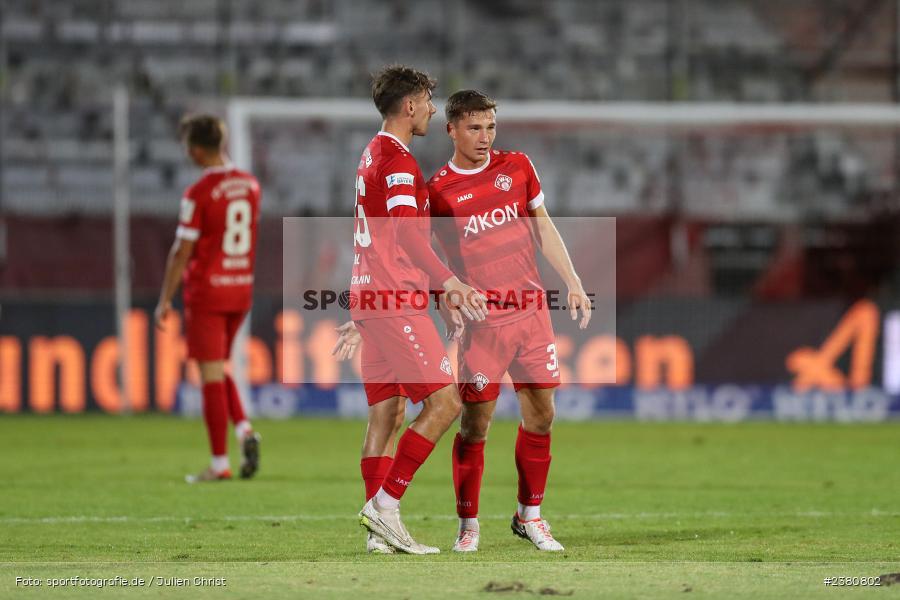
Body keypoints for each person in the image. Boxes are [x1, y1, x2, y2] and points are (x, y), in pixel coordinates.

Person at [350, 65, 487, 555]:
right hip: (394, 300)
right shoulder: (400, 163)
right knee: (445, 404)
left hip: (369, 295)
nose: (432, 108)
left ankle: (379, 537)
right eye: (428, 100)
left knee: (386, 415)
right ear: (409, 106)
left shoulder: (372, 152)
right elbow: (408, 236)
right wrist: (449, 283)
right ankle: (384, 507)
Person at [154, 114, 262, 484]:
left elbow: (181, 252)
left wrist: (164, 299)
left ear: (197, 151)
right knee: (217, 366)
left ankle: (219, 464)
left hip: (208, 292)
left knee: (210, 374)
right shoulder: (250, 185)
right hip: (241, 288)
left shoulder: (198, 193)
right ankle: (244, 430)